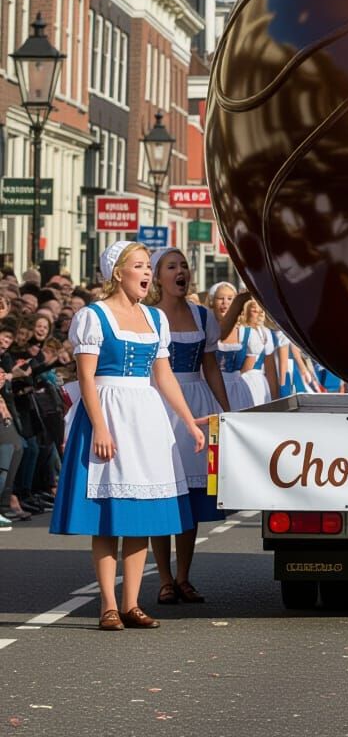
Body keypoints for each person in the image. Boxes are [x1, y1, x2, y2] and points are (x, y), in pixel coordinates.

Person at [49, 241, 205, 631]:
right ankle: (108, 605)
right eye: (140, 266)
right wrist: (99, 425)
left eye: (148, 266)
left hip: (145, 416)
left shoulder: (155, 318)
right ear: (118, 272)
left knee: (140, 511)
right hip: (108, 410)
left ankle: (132, 603)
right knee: (107, 516)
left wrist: (187, 420)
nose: (148, 273)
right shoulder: (93, 315)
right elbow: (85, 376)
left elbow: (163, 375)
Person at [146, 248, 232, 606]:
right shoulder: (149, 316)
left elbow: (210, 366)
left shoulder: (202, 315)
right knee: (163, 491)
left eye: (183, 265)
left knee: (192, 499)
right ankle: (164, 578)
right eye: (171, 266)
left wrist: (226, 411)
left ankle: (183, 577)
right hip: (160, 404)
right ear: (157, 277)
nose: (180, 271)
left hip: (197, 402)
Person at [208, 283, 260, 411]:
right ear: (212, 302)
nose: (225, 303)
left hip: (238, 393)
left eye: (230, 299)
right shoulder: (205, 332)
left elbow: (246, 372)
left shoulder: (248, 334)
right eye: (220, 298)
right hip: (210, 390)